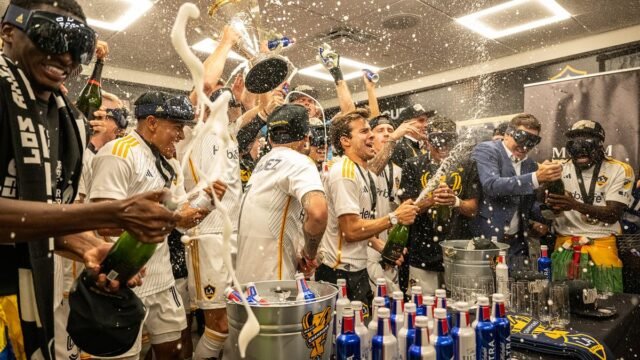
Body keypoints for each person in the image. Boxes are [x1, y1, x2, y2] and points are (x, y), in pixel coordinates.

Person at [0, 1, 178, 359]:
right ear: (8, 32)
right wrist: (106, 215)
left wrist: (86, 247)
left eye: (78, 44)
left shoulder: (63, 120)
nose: (66, 56)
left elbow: (43, 216)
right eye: (51, 35)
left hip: (29, 296)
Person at [89, 91, 224, 360]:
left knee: (173, 352)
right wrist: (171, 218)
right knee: (126, 356)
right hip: (125, 279)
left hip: (162, 279)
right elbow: (104, 222)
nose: (181, 136)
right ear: (151, 122)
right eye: (176, 127)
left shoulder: (169, 163)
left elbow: (178, 222)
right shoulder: (118, 153)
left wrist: (207, 201)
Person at [316, 108, 419, 307]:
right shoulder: (343, 173)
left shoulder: (362, 171)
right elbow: (351, 231)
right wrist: (394, 217)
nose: (371, 135)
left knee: (362, 330)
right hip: (339, 273)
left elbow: (358, 220)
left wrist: (379, 245)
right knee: (346, 334)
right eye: (364, 131)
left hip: (357, 268)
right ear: (345, 141)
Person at [236, 104, 328, 282]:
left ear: (270, 139)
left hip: (246, 281)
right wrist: (310, 253)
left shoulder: (263, 162)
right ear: (306, 138)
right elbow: (318, 213)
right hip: (273, 285)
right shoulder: (299, 161)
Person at [546, 120, 634, 293]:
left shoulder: (620, 169)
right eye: (574, 143)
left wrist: (574, 204)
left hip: (602, 246)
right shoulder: (558, 168)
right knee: (564, 305)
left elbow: (612, 215)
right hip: (565, 247)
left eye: (586, 142)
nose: (580, 148)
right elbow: (550, 208)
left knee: (608, 302)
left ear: (599, 144)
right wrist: (550, 201)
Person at [399, 116, 480, 294]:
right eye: (437, 140)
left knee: (460, 309)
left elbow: (473, 209)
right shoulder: (413, 165)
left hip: (457, 251)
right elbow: (405, 211)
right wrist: (430, 200)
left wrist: (455, 201)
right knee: (422, 311)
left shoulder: (468, 164)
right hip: (422, 252)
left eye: (448, 140)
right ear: (427, 140)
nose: (443, 146)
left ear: (456, 140)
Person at [472, 114, 562, 259]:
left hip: (516, 244)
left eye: (532, 141)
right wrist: (535, 178)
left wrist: (549, 211)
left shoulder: (529, 164)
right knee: (487, 281)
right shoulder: (487, 150)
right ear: (507, 134)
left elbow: (526, 203)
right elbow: (492, 185)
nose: (525, 146)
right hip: (486, 241)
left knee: (516, 282)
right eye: (521, 138)